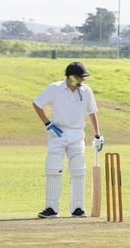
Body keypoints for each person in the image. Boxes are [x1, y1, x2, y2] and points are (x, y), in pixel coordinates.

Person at [33, 62, 104, 218]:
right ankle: (51, 209)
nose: (82, 81)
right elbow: (37, 104)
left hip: (77, 135)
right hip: (57, 134)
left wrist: (98, 134)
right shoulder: (55, 88)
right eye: (80, 77)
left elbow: (92, 113)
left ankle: (77, 208)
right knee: (53, 168)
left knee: (78, 170)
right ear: (71, 77)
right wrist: (48, 124)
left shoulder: (86, 91)